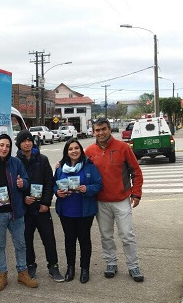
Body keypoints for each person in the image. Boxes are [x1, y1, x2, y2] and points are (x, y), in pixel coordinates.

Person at [85, 118, 144, 282]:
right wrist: (61, 165)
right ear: (93, 132)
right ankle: (111, 263)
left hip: (121, 200)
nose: (100, 133)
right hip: (101, 201)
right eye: (97, 130)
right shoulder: (89, 151)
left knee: (127, 235)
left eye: (103, 129)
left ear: (110, 129)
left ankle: (133, 266)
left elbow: (136, 172)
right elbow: (77, 166)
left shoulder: (123, 147)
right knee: (106, 235)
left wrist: (136, 193)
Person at [0, 133, 38, 292]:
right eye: (1, 145)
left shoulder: (16, 163)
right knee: (0, 246)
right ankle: (2, 274)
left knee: (21, 244)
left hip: (16, 212)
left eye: (7, 146)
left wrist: (22, 183)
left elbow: (26, 181)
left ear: (11, 148)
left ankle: (22, 273)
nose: (4, 148)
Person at [15, 129, 64, 282]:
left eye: (29, 140)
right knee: (27, 239)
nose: (27, 143)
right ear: (19, 144)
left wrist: (45, 202)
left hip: (42, 209)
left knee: (49, 238)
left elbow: (50, 182)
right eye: (24, 140)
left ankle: (53, 266)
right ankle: (30, 265)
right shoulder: (15, 162)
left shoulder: (42, 160)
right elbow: (13, 186)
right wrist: (23, 198)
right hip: (26, 210)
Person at [54, 138, 102, 283]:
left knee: (84, 240)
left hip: (84, 211)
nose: (73, 151)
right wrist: (58, 193)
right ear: (66, 152)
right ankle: (70, 268)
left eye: (76, 148)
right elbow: (54, 185)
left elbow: (98, 184)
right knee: (69, 240)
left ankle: (85, 269)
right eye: (70, 149)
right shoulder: (60, 167)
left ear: (81, 150)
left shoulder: (89, 166)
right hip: (66, 211)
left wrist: (87, 189)